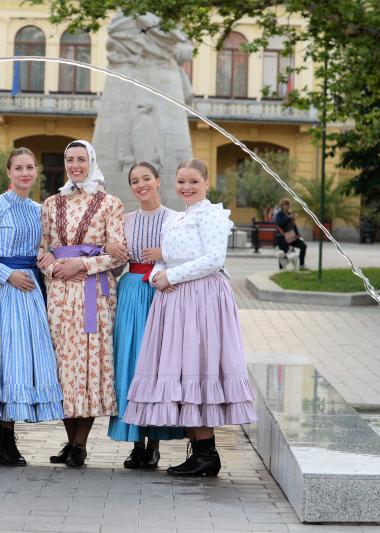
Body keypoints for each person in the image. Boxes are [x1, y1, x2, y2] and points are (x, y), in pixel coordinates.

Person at [124, 158, 257, 477]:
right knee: (185, 371)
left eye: (193, 182)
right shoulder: (178, 218)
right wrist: (156, 274)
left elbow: (214, 259)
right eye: (182, 181)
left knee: (198, 368)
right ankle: (201, 452)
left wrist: (172, 276)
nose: (186, 187)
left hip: (202, 299)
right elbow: (166, 256)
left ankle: (207, 452)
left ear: (206, 184)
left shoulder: (211, 215)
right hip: (177, 300)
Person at [38, 139, 126, 467]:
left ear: (91, 161)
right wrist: (53, 268)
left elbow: (119, 254)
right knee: (64, 364)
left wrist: (82, 265)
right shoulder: (51, 204)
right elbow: (41, 249)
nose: (75, 165)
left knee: (88, 364)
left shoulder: (110, 204)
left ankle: (80, 444)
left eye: (81, 159)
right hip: (61, 293)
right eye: (69, 159)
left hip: (93, 293)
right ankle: (69, 439)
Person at [0, 147, 65, 466]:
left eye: (30, 167)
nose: (25, 173)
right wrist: (5, 274)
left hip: (30, 291)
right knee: (6, 359)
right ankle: (3, 439)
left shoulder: (40, 209)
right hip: (3, 290)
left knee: (22, 363)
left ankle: (1, 437)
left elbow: (46, 249)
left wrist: (48, 263)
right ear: (8, 172)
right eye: (19, 168)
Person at [103, 162, 185, 469]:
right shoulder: (124, 221)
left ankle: (154, 442)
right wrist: (109, 250)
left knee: (159, 364)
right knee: (132, 361)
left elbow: (189, 255)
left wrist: (165, 256)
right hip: (131, 292)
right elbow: (114, 268)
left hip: (162, 291)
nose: (141, 185)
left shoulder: (174, 219)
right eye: (135, 181)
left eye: (146, 178)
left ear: (158, 181)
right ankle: (137, 442)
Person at [274, 198, 307, 270]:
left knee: (303, 246)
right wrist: (289, 218)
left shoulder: (289, 214)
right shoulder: (279, 214)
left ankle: (302, 265)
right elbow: (279, 224)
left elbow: (293, 225)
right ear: (282, 206)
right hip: (282, 237)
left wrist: (297, 233)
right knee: (283, 253)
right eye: (286, 205)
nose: (287, 206)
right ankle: (282, 269)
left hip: (291, 236)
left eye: (288, 205)